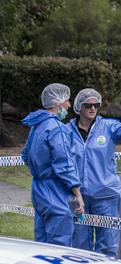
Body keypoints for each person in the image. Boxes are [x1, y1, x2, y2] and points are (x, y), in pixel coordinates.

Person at [65, 88, 121, 257]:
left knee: (107, 244)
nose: (92, 108)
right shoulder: (66, 131)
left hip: (105, 195)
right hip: (76, 196)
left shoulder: (108, 127)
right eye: (88, 105)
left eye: (96, 105)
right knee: (78, 245)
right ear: (79, 107)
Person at [21, 83, 85, 246]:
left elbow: (25, 154)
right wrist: (77, 193)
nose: (69, 105)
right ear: (58, 103)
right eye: (67, 101)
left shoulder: (37, 126)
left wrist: (40, 169)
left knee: (41, 244)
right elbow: (64, 164)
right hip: (56, 193)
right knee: (59, 246)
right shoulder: (57, 128)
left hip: (39, 190)